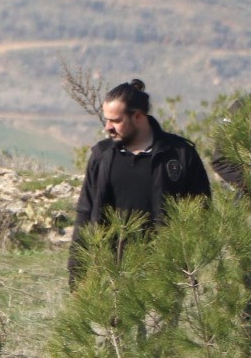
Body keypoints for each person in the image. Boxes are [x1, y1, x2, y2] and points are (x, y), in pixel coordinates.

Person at [71, 79, 212, 282]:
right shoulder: (101, 156)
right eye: (107, 120)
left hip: (162, 275)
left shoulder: (180, 154)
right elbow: (85, 213)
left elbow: (202, 211)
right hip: (110, 274)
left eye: (115, 121)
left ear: (138, 116)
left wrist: (187, 265)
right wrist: (77, 273)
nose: (108, 127)